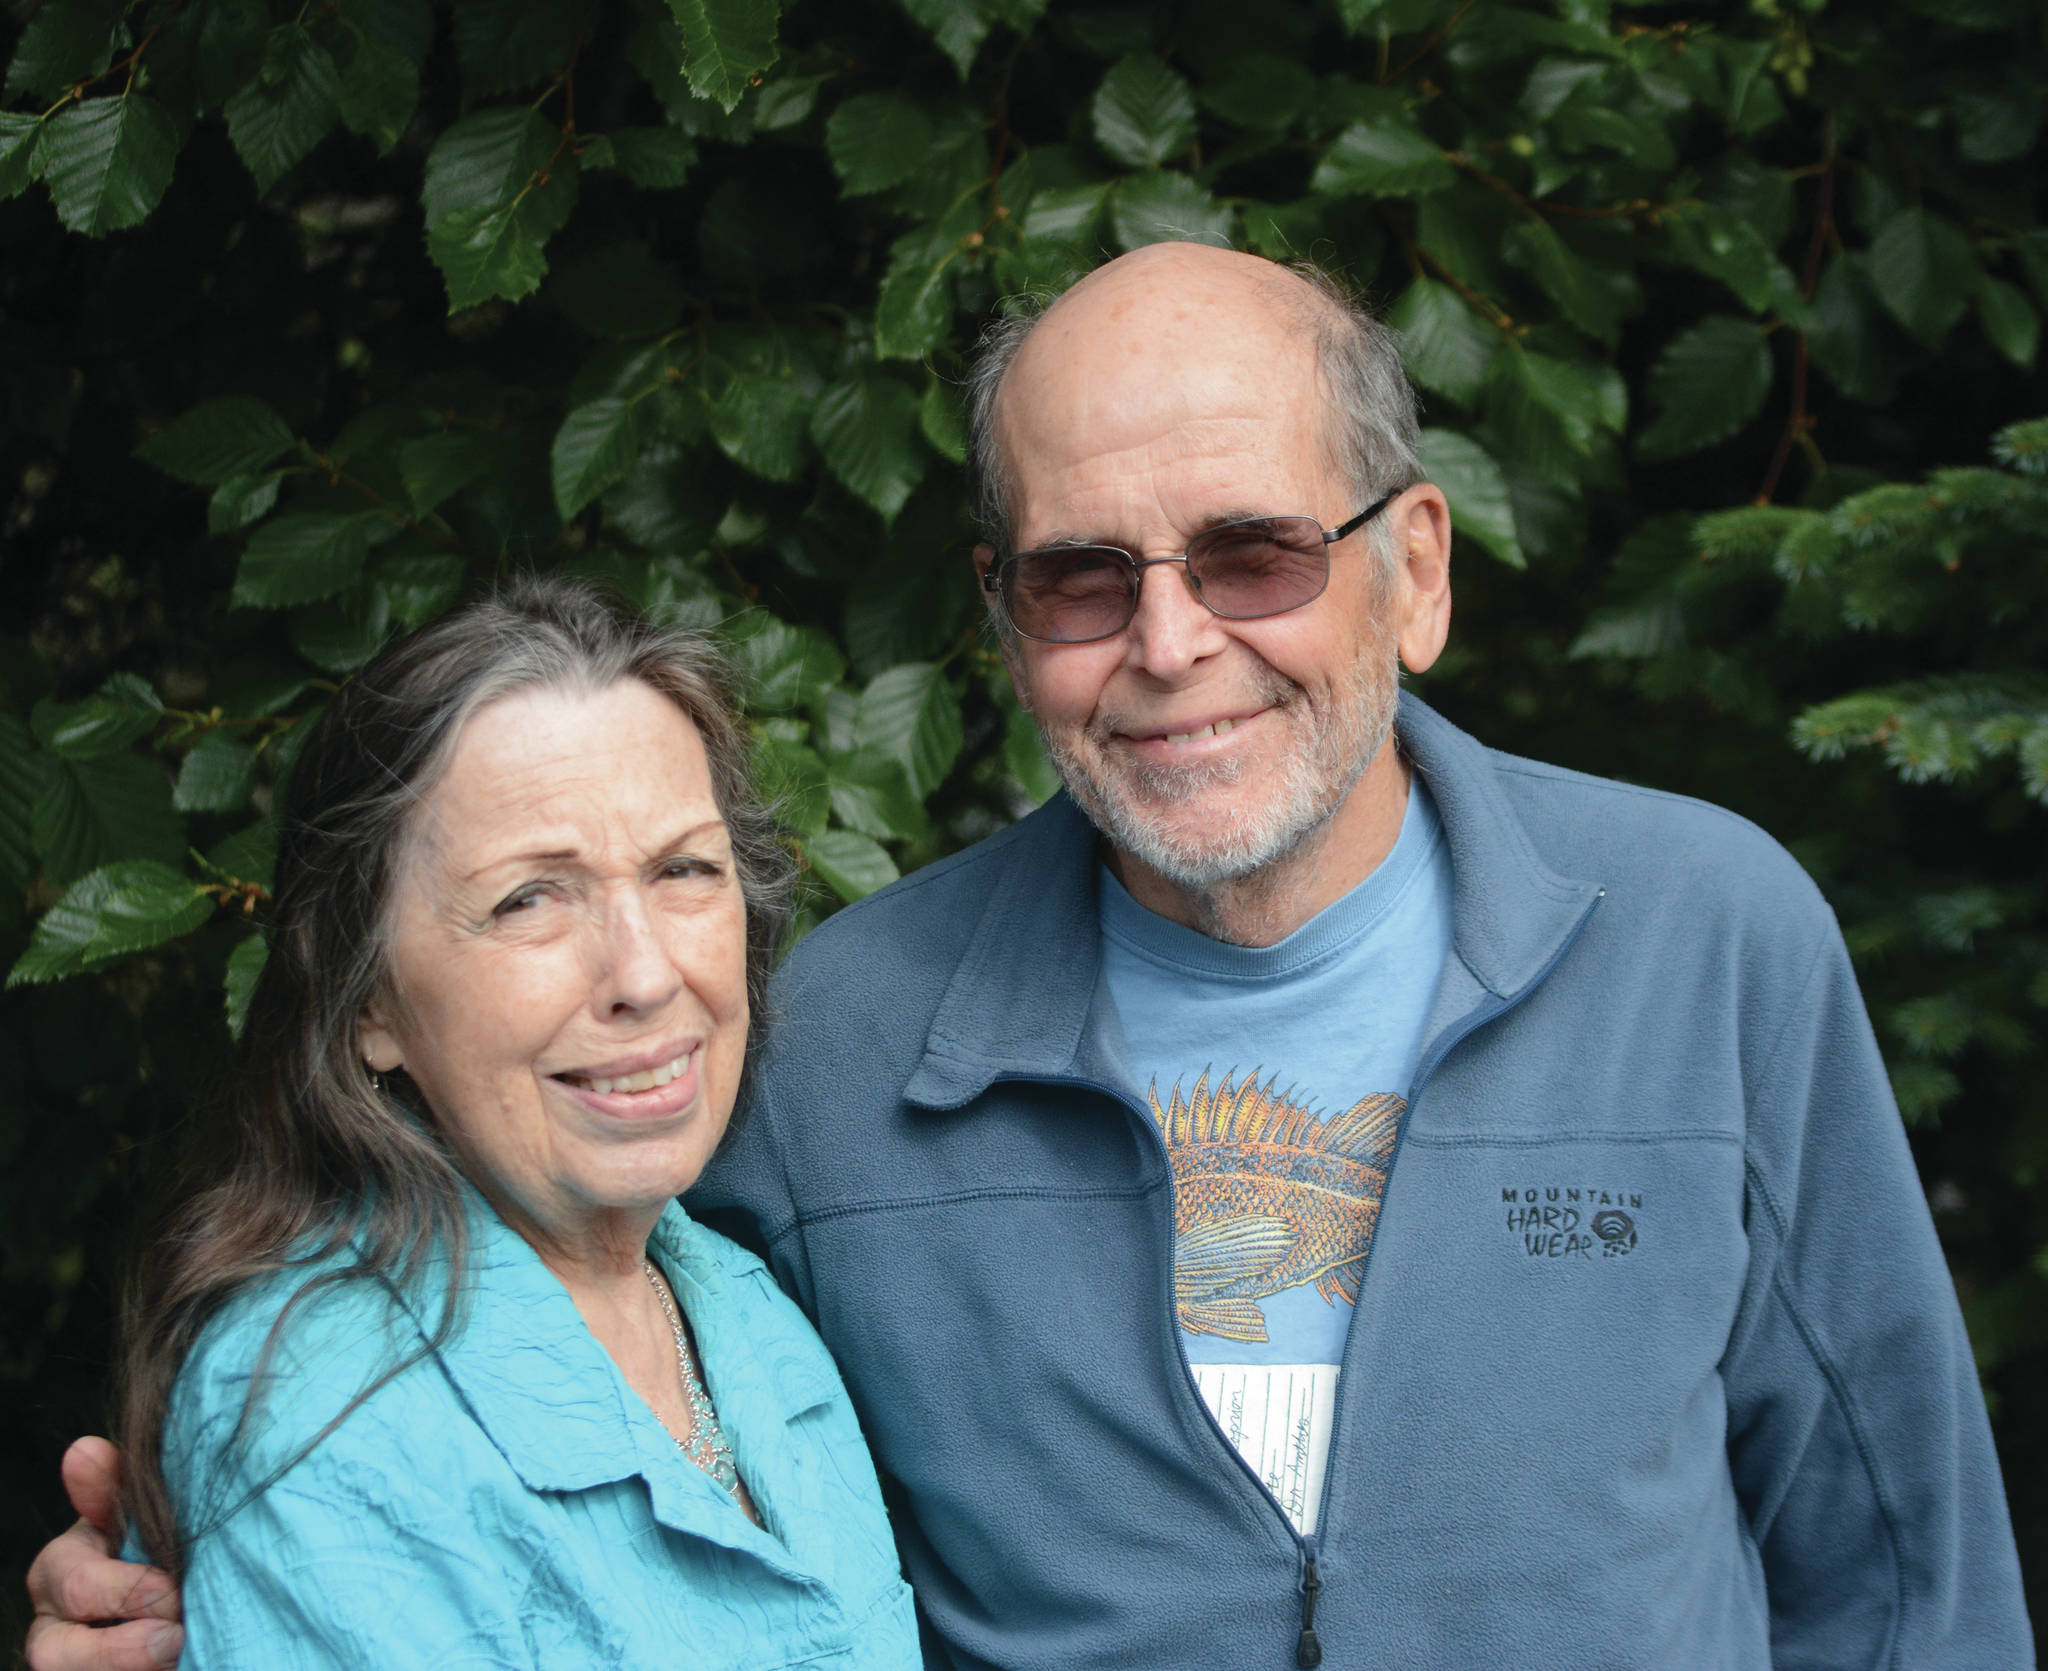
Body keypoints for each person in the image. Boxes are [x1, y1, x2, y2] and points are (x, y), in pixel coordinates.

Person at [26, 245, 2032, 1669]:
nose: (1169, 643)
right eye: (1086, 575)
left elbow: (1913, 1576)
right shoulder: (828, 1047)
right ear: (1003, 618)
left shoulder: (1710, 939)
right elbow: (525, 1380)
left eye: (1253, 551)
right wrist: (185, 1594)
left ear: (1412, 567)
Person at [33, 580, 920, 1668]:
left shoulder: (741, 1306)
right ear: (368, 1005)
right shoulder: (325, 1415)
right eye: (528, 899)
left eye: (683, 869)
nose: (643, 974)